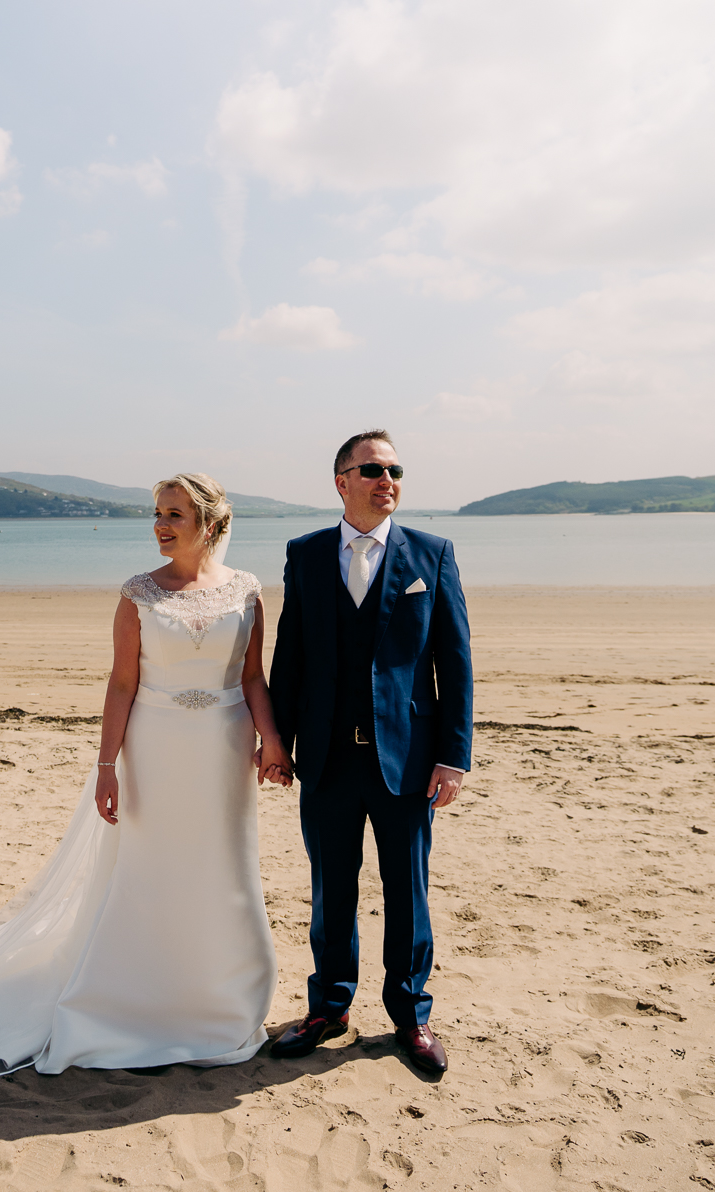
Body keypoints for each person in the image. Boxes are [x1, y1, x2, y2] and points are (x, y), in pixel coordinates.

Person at [0, 473, 284, 1087]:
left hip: (225, 748)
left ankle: (217, 1003)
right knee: (147, 870)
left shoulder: (246, 590)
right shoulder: (138, 593)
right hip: (155, 748)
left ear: (210, 524)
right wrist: (105, 767)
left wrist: (272, 740)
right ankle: (130, 1000)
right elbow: (122, 685)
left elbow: (253, 677)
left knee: (220, 869)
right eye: (156, 513)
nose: (161, 525)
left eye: (175, 514)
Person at [261, 430, 473, 1077]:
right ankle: (329, 1008)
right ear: (342, 481)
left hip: (406, 761)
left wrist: (453, 756)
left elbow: (454, 663)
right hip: (325, 757)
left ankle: (411, 1015)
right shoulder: (306, 554)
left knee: (407, 891)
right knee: (332, 891)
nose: (389, 479)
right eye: (374, 469)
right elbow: (289, 658)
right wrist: (278, 744)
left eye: (396, 470)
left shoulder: (432, 555)